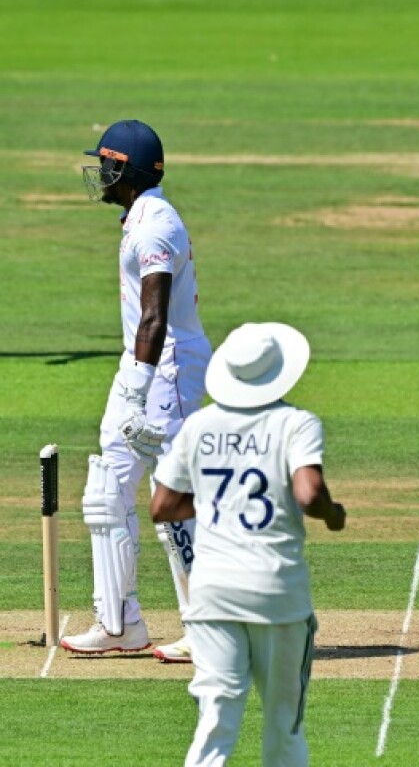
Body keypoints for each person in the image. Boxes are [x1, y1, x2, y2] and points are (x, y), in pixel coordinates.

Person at [151, 322, 346, 766]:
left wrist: (216, 504)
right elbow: (309, 494)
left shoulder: (199, 425)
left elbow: (163, 506)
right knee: (284, 721)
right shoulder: (296, 423)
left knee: (216, 716)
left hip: (212, 589)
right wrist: (334, 516)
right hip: (276, 590)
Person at [61, 119, 209, 664]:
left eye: (107, 164)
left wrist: (138, 391)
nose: (99, 173)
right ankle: (119, 622)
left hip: (165, 369)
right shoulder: (140, 217)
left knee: (170, 498)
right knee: (107, 489)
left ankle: (207, 627)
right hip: (143, 365)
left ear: (129, 170)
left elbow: (156, 315)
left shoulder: (155, 227)